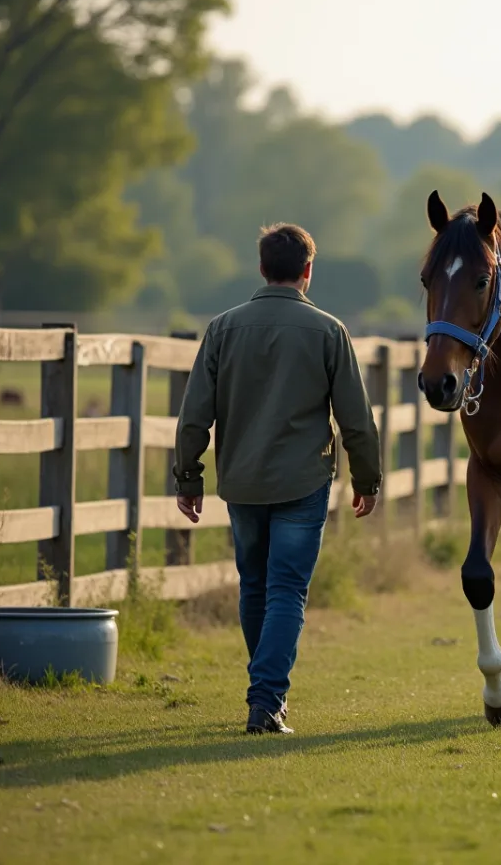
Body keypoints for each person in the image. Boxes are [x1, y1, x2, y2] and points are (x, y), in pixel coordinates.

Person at [173, 223, 383, 735]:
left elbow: (194, 413)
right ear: (308, 271)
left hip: (241, 480)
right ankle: (266, 700)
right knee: (287, 590)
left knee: (256, 586)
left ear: (262, 268)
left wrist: (188, 476)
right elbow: (356, 418)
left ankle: (265, 692)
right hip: (303, 480)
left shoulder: (222, 329)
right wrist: (367, 478)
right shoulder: (329, 332)